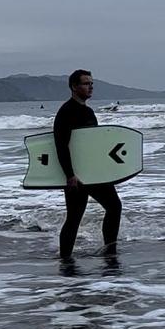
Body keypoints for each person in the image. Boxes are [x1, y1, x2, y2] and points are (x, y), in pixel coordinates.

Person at [53, 69, 122, 260]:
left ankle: (109, 251)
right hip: (77, 175)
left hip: (94, 173)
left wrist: (107, 169)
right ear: (74, 86)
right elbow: (61, 145)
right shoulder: (66, 112)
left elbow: (93, 145)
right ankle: (66, 258)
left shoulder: (88, 111)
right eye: (86, 83)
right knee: (75, 217)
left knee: (113, 206)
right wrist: (70, 175)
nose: (90, 86)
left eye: (91, 83)